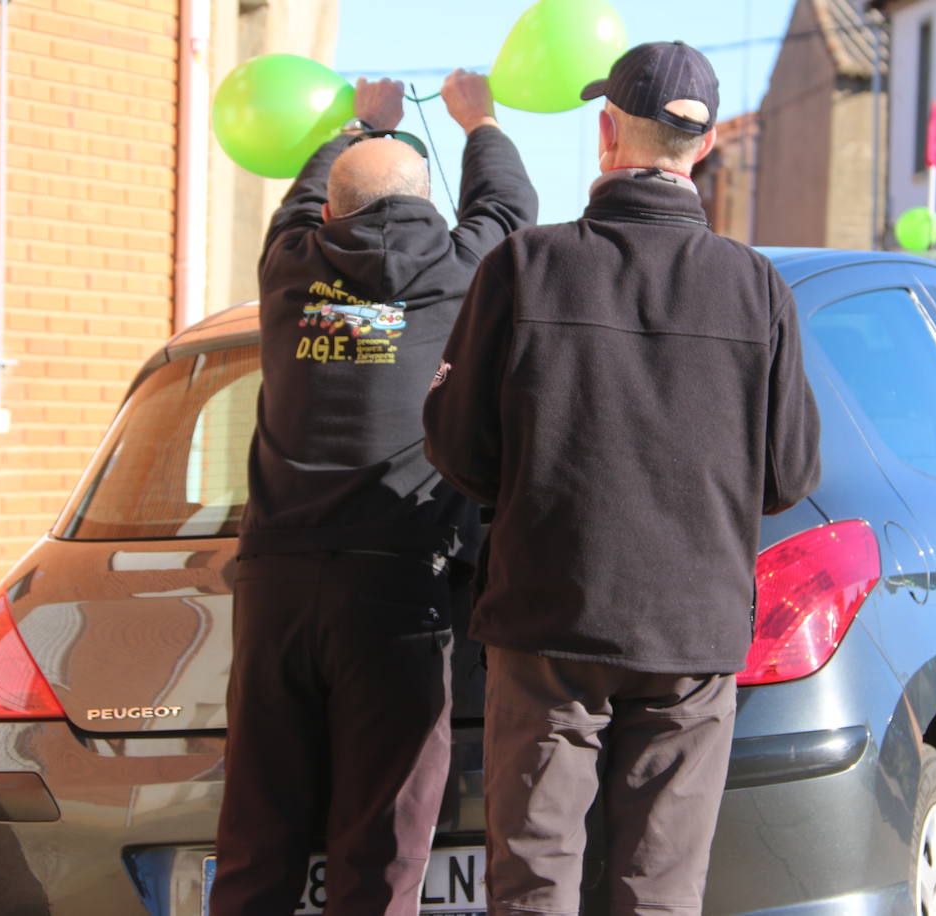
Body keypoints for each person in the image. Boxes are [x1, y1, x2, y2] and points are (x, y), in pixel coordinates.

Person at [422, 41, 821, 915]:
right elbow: (789, 472)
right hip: (692, 630)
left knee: (534, 881)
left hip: (549, 618)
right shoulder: (757, 290)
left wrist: (539, 490)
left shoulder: (525, 266)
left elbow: (456, 447)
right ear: (704, 148)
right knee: (659, 891)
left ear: (608, 133)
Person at [211, 70, 538, 916]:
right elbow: (507, 211)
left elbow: (297, 201)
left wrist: (355, 125)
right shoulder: (460, 271)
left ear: (327, 215)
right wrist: (481, 121)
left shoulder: (288, 272)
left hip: (278, 584)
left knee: (257, 833)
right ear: (430, 211)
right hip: (396, 589)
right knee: (381, 840)